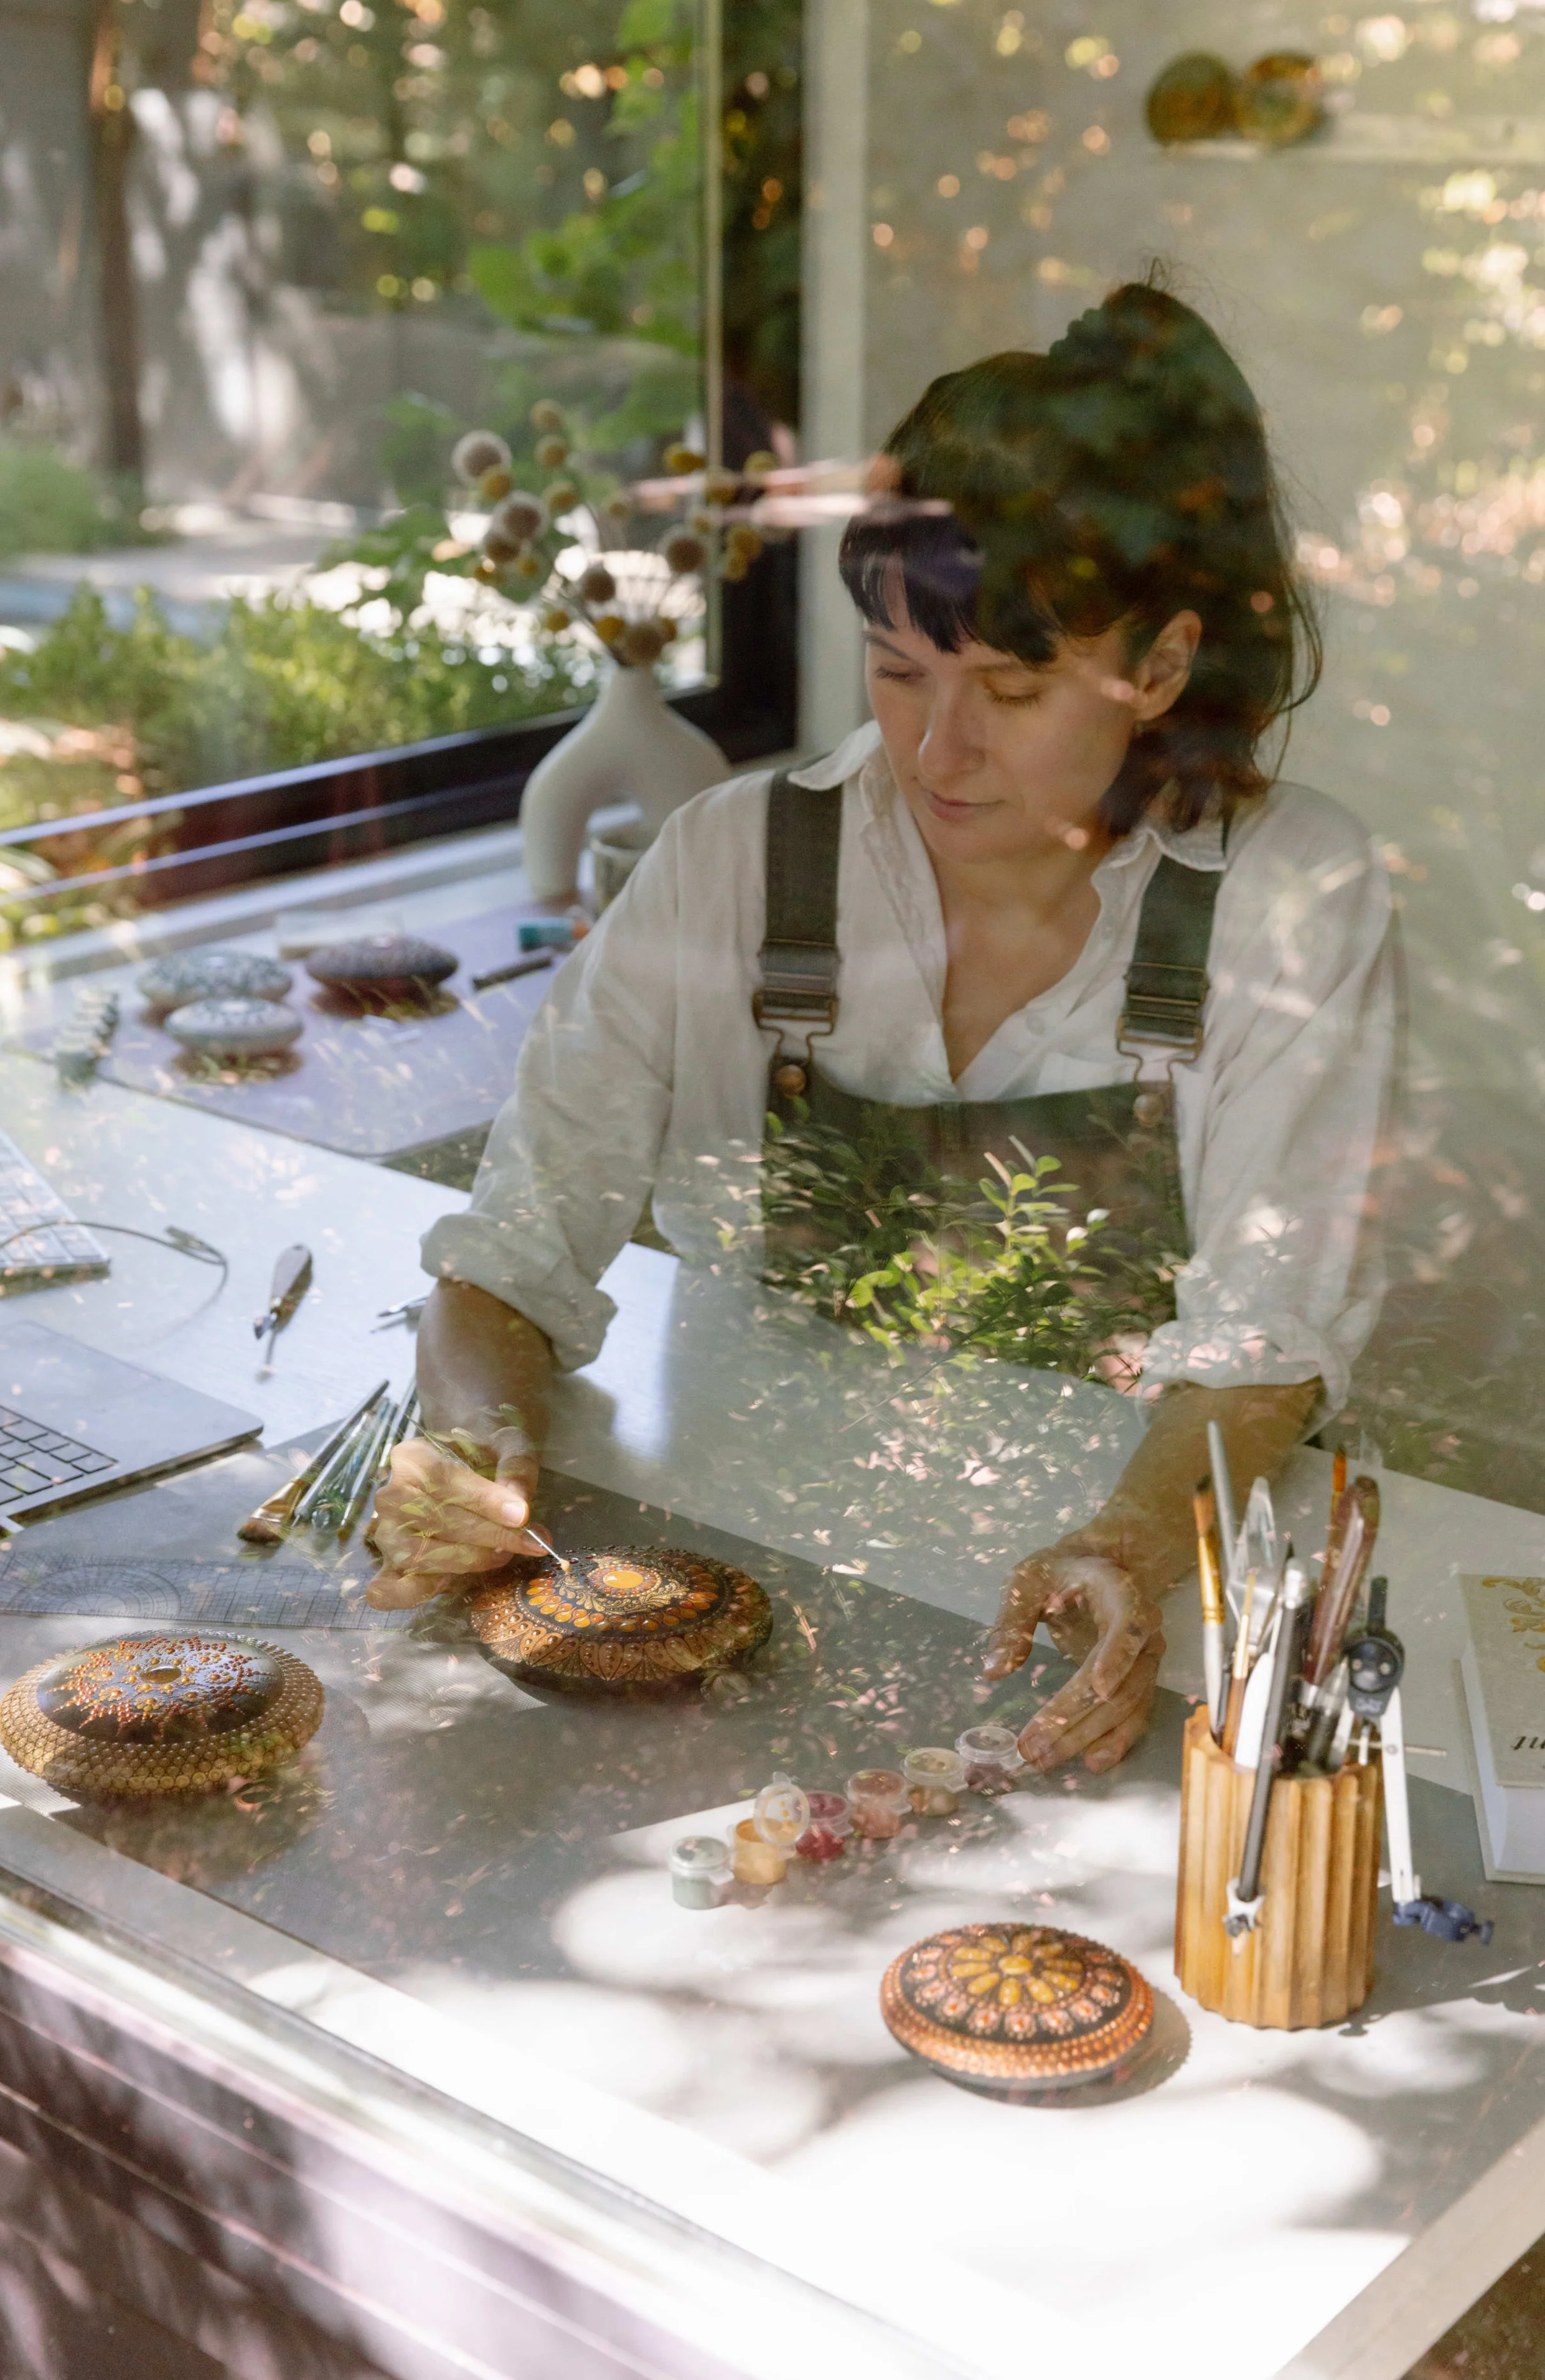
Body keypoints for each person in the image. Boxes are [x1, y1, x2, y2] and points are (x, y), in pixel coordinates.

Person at [368, 279, 1394, 1777]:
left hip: (1106, 1605)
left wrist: (1128, 1541)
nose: (935, 747)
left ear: (1161, 668)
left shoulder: (1285, 892)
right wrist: (470, 1445)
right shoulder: (733, 860)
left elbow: (1266, 1341)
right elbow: (508, 1258)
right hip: (745, 1585)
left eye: (1013, 687)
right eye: (897, 669)